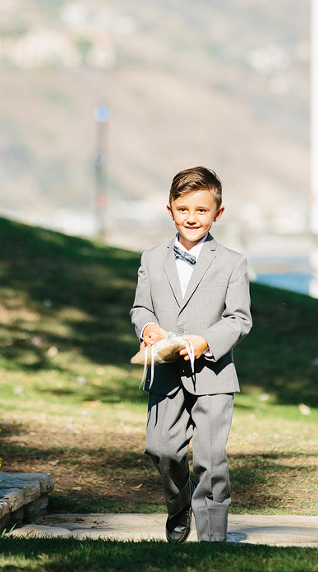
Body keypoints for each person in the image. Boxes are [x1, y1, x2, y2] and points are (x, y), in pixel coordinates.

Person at [130, 166, 252, 542]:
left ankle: (212, 541)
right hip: (164, 375)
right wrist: (148, 327)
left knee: (211, 460)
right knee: (161, 449)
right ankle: (178, 504)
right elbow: (141, 309)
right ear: (169, 210)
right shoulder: (151, 259)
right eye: (183, 209)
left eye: (202, 210)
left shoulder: (232, 262)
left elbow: (239, 318)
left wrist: (205, 341)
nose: (192, 218)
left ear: (218, 213)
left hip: (214, 374)